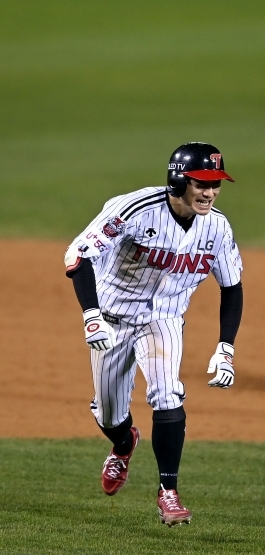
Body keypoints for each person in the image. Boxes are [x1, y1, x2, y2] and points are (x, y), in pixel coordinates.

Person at [64, 142, 243, 525]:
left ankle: (169, 492)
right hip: (111, 320)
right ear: (179, 180)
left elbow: (232, 286)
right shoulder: (133, 210)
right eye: (202, 183)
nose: (210, 192)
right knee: (110, 413)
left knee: (167, 394)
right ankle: (124, 445)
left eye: (216, 184)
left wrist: (225, 347)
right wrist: (91, 315)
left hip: (163, 321)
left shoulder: (217, 227)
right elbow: (78, 256)